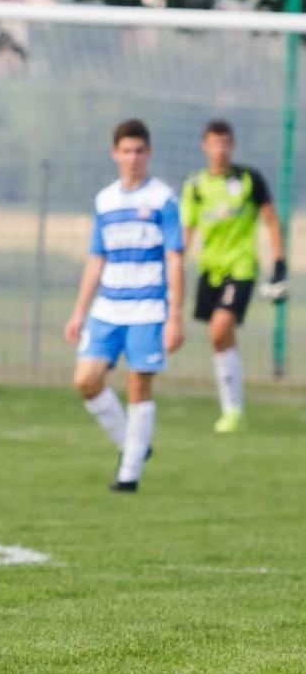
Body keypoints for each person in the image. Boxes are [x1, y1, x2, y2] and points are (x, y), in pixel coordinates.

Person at [65, 119, 185, 492]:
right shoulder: (105, 201)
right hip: (108, 307)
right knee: (86, 380)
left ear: (149, 153)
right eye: (126, 151)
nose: (133, 158)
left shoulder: (163, 200)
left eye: (139, 151)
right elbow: (96, 259)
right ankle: (134, 447)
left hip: (147, 309)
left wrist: (175, 316)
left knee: (138, 387)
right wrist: (79, 311)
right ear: (115, 153)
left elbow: (175, 259)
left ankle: (128, 475)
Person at [179, 119, 288, 433]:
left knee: (219, 329)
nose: (220, 149)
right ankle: (233, 409)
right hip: (209, 269)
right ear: (205, 146)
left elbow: (271, 219)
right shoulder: (195, 185)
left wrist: (278, 263)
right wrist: (173, 267)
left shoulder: (248, 179)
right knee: (220, 339)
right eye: (215, 143)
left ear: (233, 145)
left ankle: (233, 411)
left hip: (240, 268)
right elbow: (187, 231)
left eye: (225, 143)